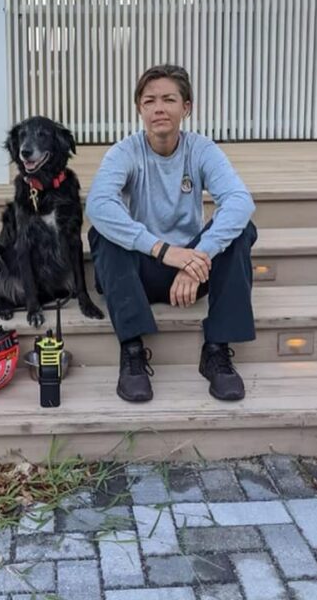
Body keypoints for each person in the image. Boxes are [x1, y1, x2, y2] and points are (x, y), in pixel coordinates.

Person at [85, 64, 258, 403]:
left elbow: (240, 201)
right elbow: (99, 204)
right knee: (104, 234)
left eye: (169, 99)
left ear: (186, 108)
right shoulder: (125, 152)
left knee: (241, 231)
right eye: (149, 101)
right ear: (140, 108)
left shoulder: (202, 149)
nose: (159, 108)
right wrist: (165, 251)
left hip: (193, 270)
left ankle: (216, 352)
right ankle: (132, 353)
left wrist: (198, 256)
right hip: (139, 272)